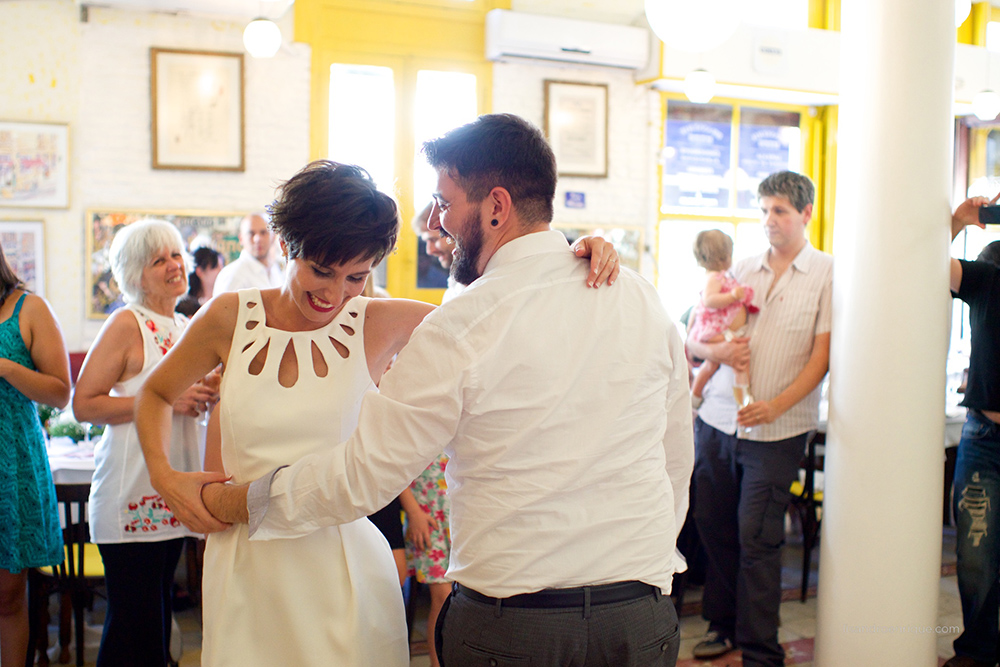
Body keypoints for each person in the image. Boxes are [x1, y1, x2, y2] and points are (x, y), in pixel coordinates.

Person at [164, 114, 692, 667]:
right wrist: (649, 559)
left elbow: (361, 477)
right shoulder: (637, 296)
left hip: (515, 626)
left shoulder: (463, 322)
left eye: (444, 201)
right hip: (640, 616)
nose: (437, 221)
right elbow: (675, 454)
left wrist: (227, 501)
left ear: (495, 206)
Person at [686, 171, 832, 667]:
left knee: (758, 535)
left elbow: (821, 358)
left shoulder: (827, 274)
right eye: (764, 210)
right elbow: (691, 339)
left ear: (806, 213)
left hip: (776, 430)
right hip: (719, 421)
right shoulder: (739, 270)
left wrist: (776, 405)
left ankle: (760, 650)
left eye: (780, 211)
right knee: (715, 526)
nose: (769, 220)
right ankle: (722, 626)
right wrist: (718, 350)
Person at [72, 220, 218, 667]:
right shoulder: (126, 323)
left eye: (176, 255)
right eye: (160, 260)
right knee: (132, 625)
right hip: (132, 488)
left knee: (156, 622)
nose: (175, 266)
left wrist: (207, 393)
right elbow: (85, 405)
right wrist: (168, 402)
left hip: (172, 489)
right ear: (136, 275)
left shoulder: (184, 324)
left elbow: (187, 402)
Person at [0, 242, 70, 667]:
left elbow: (61, 392)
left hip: (12, 461)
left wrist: (5, 367)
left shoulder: (28, 308)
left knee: (8, 596)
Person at [943, 193, 1000, 667]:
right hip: (986, 437)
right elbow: (922, 266)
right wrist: (958, 221)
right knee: (976, 555)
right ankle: (978, 651)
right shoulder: (991, 269)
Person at [688, 229, 758, 409]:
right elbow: (709, 300)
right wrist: (733, 296)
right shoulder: (714, 278)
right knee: (734, 363)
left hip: (724, 331)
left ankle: (739, 399)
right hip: (717, 332)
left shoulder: (721, 276)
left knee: (717, 365)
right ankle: (696, 398)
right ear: (723, 257)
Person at [212, 212, 283, 294]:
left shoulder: (275, 269)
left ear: (273, 237)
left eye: (263, 232)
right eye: (251, 234)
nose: (257, 239)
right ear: (241, 238)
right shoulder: (233, 274)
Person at [175, 246, 225, 316]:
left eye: (222, 266)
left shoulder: (223, 300)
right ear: (199, 271)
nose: (222, 270)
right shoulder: (186, 306)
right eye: (216, 267)